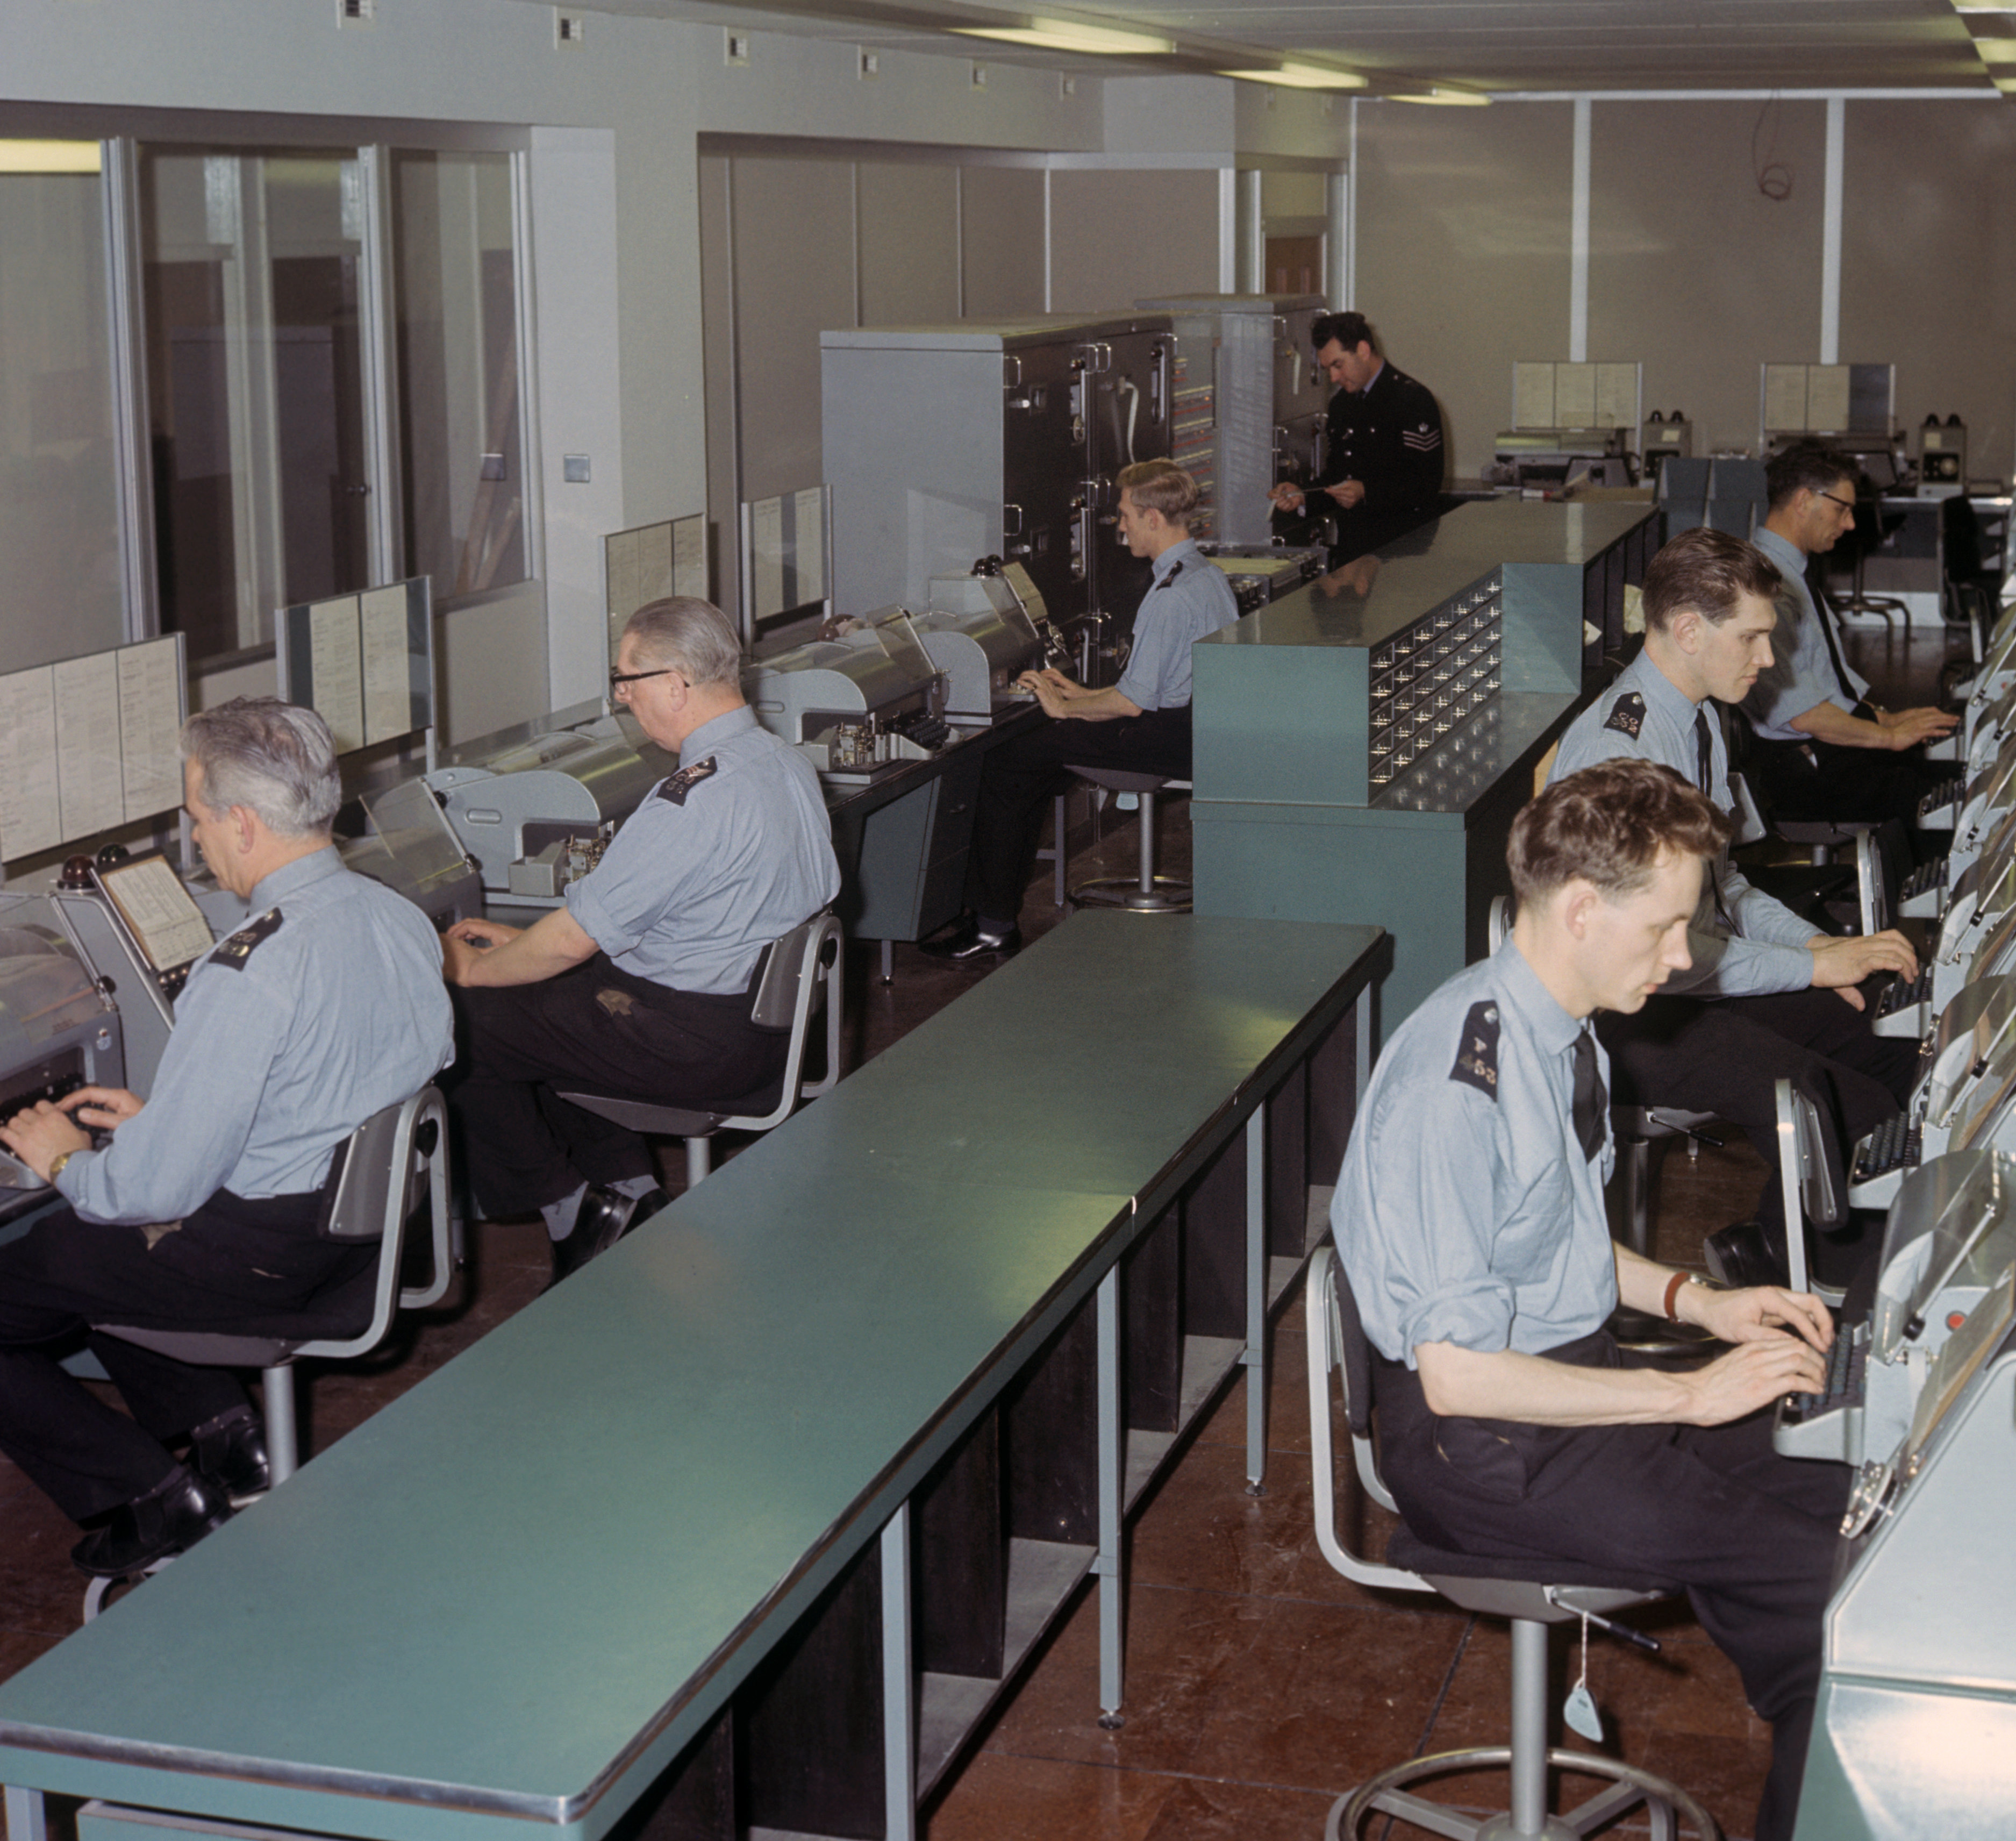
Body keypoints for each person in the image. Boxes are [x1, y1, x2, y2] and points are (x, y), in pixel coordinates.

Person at [1329, 758, 1847, 1841]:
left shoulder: (1557, 1029)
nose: (1681, 953)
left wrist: (1697, 1305)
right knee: (1826, 1590)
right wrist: (1688, 1396)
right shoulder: (1453, 1083)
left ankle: (1798, 1700)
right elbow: (1457, 1372)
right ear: (1577, 909)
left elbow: (1551, 1234)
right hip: (1473, 1441)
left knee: (1842, 1483)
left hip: (1565, 1383)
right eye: (1662, 925)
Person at [0, 698, 453, 1578]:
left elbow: (152, 1193)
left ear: (242, 823)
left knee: (83, 1231)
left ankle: (150, 1495)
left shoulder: (249, 968)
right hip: (352, 1241)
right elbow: (371, 1074)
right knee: (100, 1250)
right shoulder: (392, 915)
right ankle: (225, 1436)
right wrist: (173, 1125)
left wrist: (61, 1156)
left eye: (197, 819)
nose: (197, 839)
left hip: (264, 1259)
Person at [1549, 527, 1920, 1290]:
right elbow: (1657, 958)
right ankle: (1813, 1285)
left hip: (1696, 977)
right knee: (1841, 1100)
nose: (1768, 659)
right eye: (1752, 637)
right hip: (1632, 1011)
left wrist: (1819, 952)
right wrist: (1806, 969)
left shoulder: (1700, 716)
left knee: (1895, 1042)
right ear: (1688, 631)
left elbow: (1731, 889)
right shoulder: (1631, 756)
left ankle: (1772, 1242)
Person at [441, 596, 837, 1279]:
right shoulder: (783, 762)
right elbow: (661, 924)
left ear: (676, 683)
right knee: (546, 997)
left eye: (627, 680)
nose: (623, 698)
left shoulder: (691, 798)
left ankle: (569, 1207)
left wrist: (472, 970)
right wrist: (520, 947)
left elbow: (572, 942)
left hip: (697, 1044)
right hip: (758, 1029)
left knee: (459, 1025)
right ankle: (630, 1193)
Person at [921, 460, 1238, 961]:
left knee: (1003, 762)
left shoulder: (1171, 597)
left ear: (1154, 518)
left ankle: (992, 924)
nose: (1121, 525)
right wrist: (1073, 693)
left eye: (1126, 514)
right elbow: (1147, 685)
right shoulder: (1205, 574)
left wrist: (1063, 707)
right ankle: (990, 909)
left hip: (1162, 739)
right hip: (1195, 729)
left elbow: (1133, 703)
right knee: (1033, 762)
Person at [1746, 444, 1958, 824]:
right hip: (1805, 767)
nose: (1850, 524)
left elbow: (1826, 687)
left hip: (1823, 750)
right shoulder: (1767, 583)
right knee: (1957, 805)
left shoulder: (1790, 572)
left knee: (1956, 776)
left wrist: (1891, 720)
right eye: (1842, 509)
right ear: (1804, 500)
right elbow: (1806, 715)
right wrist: (1890, 737)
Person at [1267, 310, 1445, 563]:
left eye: (1338, 365)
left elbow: (1425, 485)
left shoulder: (1412, 400)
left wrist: (1366, 492)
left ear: (1362, 350)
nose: (1334, 378)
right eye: (1328, 369)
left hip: (1404, 553)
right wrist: (1303, 495)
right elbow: (1338, 477)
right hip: (1354, 550)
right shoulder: (1342, 405)